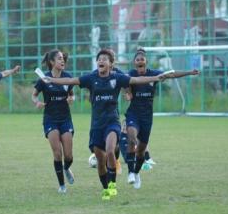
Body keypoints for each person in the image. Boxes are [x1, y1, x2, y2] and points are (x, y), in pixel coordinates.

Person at [42, 48, 167, 200]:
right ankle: (106, 187)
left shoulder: (117, 78)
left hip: (112, 123)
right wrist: (52, 80)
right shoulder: (91, 78)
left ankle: (113, 184)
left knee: (109, 150)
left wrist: (156, 78)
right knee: (100, 161)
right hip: (96, 126)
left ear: (110, 64)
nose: (101, 61)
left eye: (105, 59)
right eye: (99, 59)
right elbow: (71, 81)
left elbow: (136, 80)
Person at [125, 48, 199, 189]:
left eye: (142, 59)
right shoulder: (131, 74)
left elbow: (171, 74)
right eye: (137, 59)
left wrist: (189, 72)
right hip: (133, 113)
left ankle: (136, 172)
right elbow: (122, 83)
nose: (140, 60)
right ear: (134, 63)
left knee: (141, 150)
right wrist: (128, 92)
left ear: (146, 61)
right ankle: (130, 172)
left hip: (147, 117)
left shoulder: (154, 74)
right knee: (132, 138)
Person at [32, 49, 75, 193]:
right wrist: (36, 102)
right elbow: (34, 95)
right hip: (50, 119)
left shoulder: (68, 77)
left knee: (68, 156)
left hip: (65, 119)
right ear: (51, 62)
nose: (62, 61)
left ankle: (66, 168)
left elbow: (71, 94)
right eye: (59, 59)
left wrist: (71, 98)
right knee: (57, 154)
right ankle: (62, 185)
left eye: (63, 58)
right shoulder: (43, 79)